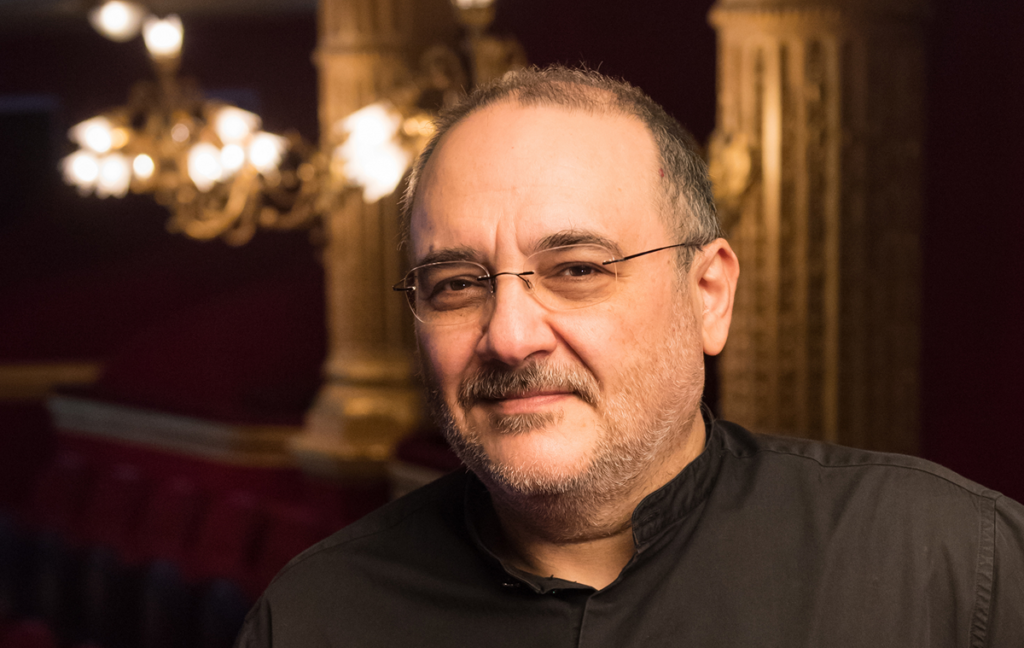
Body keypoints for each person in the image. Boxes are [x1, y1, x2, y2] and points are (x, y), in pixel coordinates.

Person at [236, 66, 1024, 646]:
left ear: (708, 294)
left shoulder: (952, 566)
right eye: (456, 284)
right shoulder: (311, 618)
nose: (509, 335)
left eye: (577, 270)